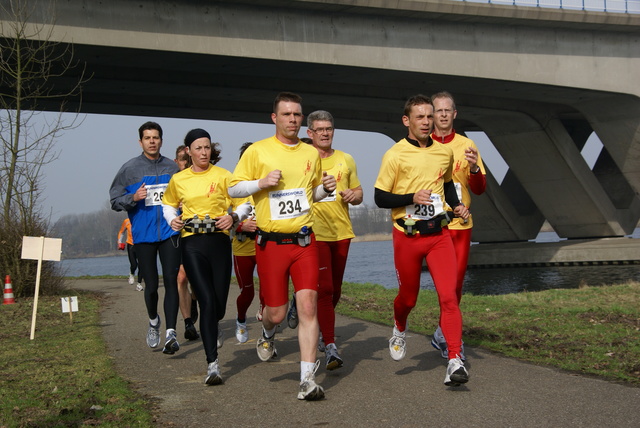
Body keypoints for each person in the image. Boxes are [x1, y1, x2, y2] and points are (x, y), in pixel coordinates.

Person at [228, 92, 336, 401]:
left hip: (304, 241)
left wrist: (323, 189)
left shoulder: (311, 153)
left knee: (307, 307)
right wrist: (260, 184)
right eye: (286, 114)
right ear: (274, 118)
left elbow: (309, 194)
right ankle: (268, 333)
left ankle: (307, 380)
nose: (292, 119)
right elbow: (233, 186)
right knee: (274, 314)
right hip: (271, 244)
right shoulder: (258, 151)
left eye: (297, 115)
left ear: (303, 120)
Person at [374, 94, 470, 387]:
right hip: (408, 236)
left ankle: (455, 359)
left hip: (439, 233)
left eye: (430, 117)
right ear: (407, 121)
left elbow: (448, 188)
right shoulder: (395, 154)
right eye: (420, 117)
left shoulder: (444, 153)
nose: (427, 122)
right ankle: (400, 326)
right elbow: (380, 197)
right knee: (409, 298)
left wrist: (457, 207)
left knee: (449, 297)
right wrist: (410, 198)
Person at [162, 128, 250, 385]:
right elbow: (168, 204)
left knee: (219, 306)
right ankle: (213, 364)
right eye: (198, 148)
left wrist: (233, 217)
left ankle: (214, 324)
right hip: (192, 244)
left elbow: (246, 203)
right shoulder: (179, 179)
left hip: (220, 243)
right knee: (208, 301)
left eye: (207, 147)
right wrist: (172, 219)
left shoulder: (224, 176)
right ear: (188, 151)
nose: (203, 152)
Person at [109, 121, 182, 355]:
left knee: (171, 280)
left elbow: (186, 195)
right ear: (140, 142)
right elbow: (114, 200)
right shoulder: (129, 169)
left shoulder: (173, 168)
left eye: (156, 137)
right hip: (143, 235)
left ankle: (171, 332)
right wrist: (133, 197)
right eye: (148, 138)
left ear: (161, 140)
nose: (152, 141)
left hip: (170, 231)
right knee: (151, 286)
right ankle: (153, 322)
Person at [430, 91, 486, 361]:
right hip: (432, 224)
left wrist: (474, 170)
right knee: (444, 284)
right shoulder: (422, 144)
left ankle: (444, 332)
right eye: (437, 110)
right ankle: (449, 337)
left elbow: (480, 188)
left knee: (456, 283)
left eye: (446, 110)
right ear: (432, 114)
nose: (442, 115)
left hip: (461, 224)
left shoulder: (468, 144)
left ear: (454, 114)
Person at [306, 110, 363, 371]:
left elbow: (359, 191)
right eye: (320, 129)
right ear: (310, 134)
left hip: (342, 232)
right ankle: (330, 345)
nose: (325, 133)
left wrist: (354, 194)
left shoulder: (345, 159)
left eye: (329, 128)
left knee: (335, 290)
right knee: (326, 289)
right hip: (314, 232)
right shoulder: (303, 160)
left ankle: (316, 323)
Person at [231, 143, 262, 344]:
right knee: (248, 291)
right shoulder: (233, 188)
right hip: (242, 247)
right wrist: (242, 226)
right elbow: (223, 221)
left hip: (265, 246)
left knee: (269, 292)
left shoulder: (266, 186)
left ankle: (268, 335)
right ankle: (241, 320)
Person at [174, 145, 200, 341]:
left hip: (198, 235)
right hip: (177, 236)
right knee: (181, 277)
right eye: (182, 159)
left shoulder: (201, 177)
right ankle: (188, 322)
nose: (186, 162)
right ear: (177, 162)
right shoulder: (174, 181)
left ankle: (194, 298)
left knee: (197, 279)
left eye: (187, 158)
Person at [117, 217, 143, 291]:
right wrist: (119, 242)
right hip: (131, 244)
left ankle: (139, 284)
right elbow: (121, 232)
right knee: (134, 264)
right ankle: (131, 273)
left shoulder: (141, 219)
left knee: (142, 265)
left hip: (141, 244)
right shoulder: (127, 221)